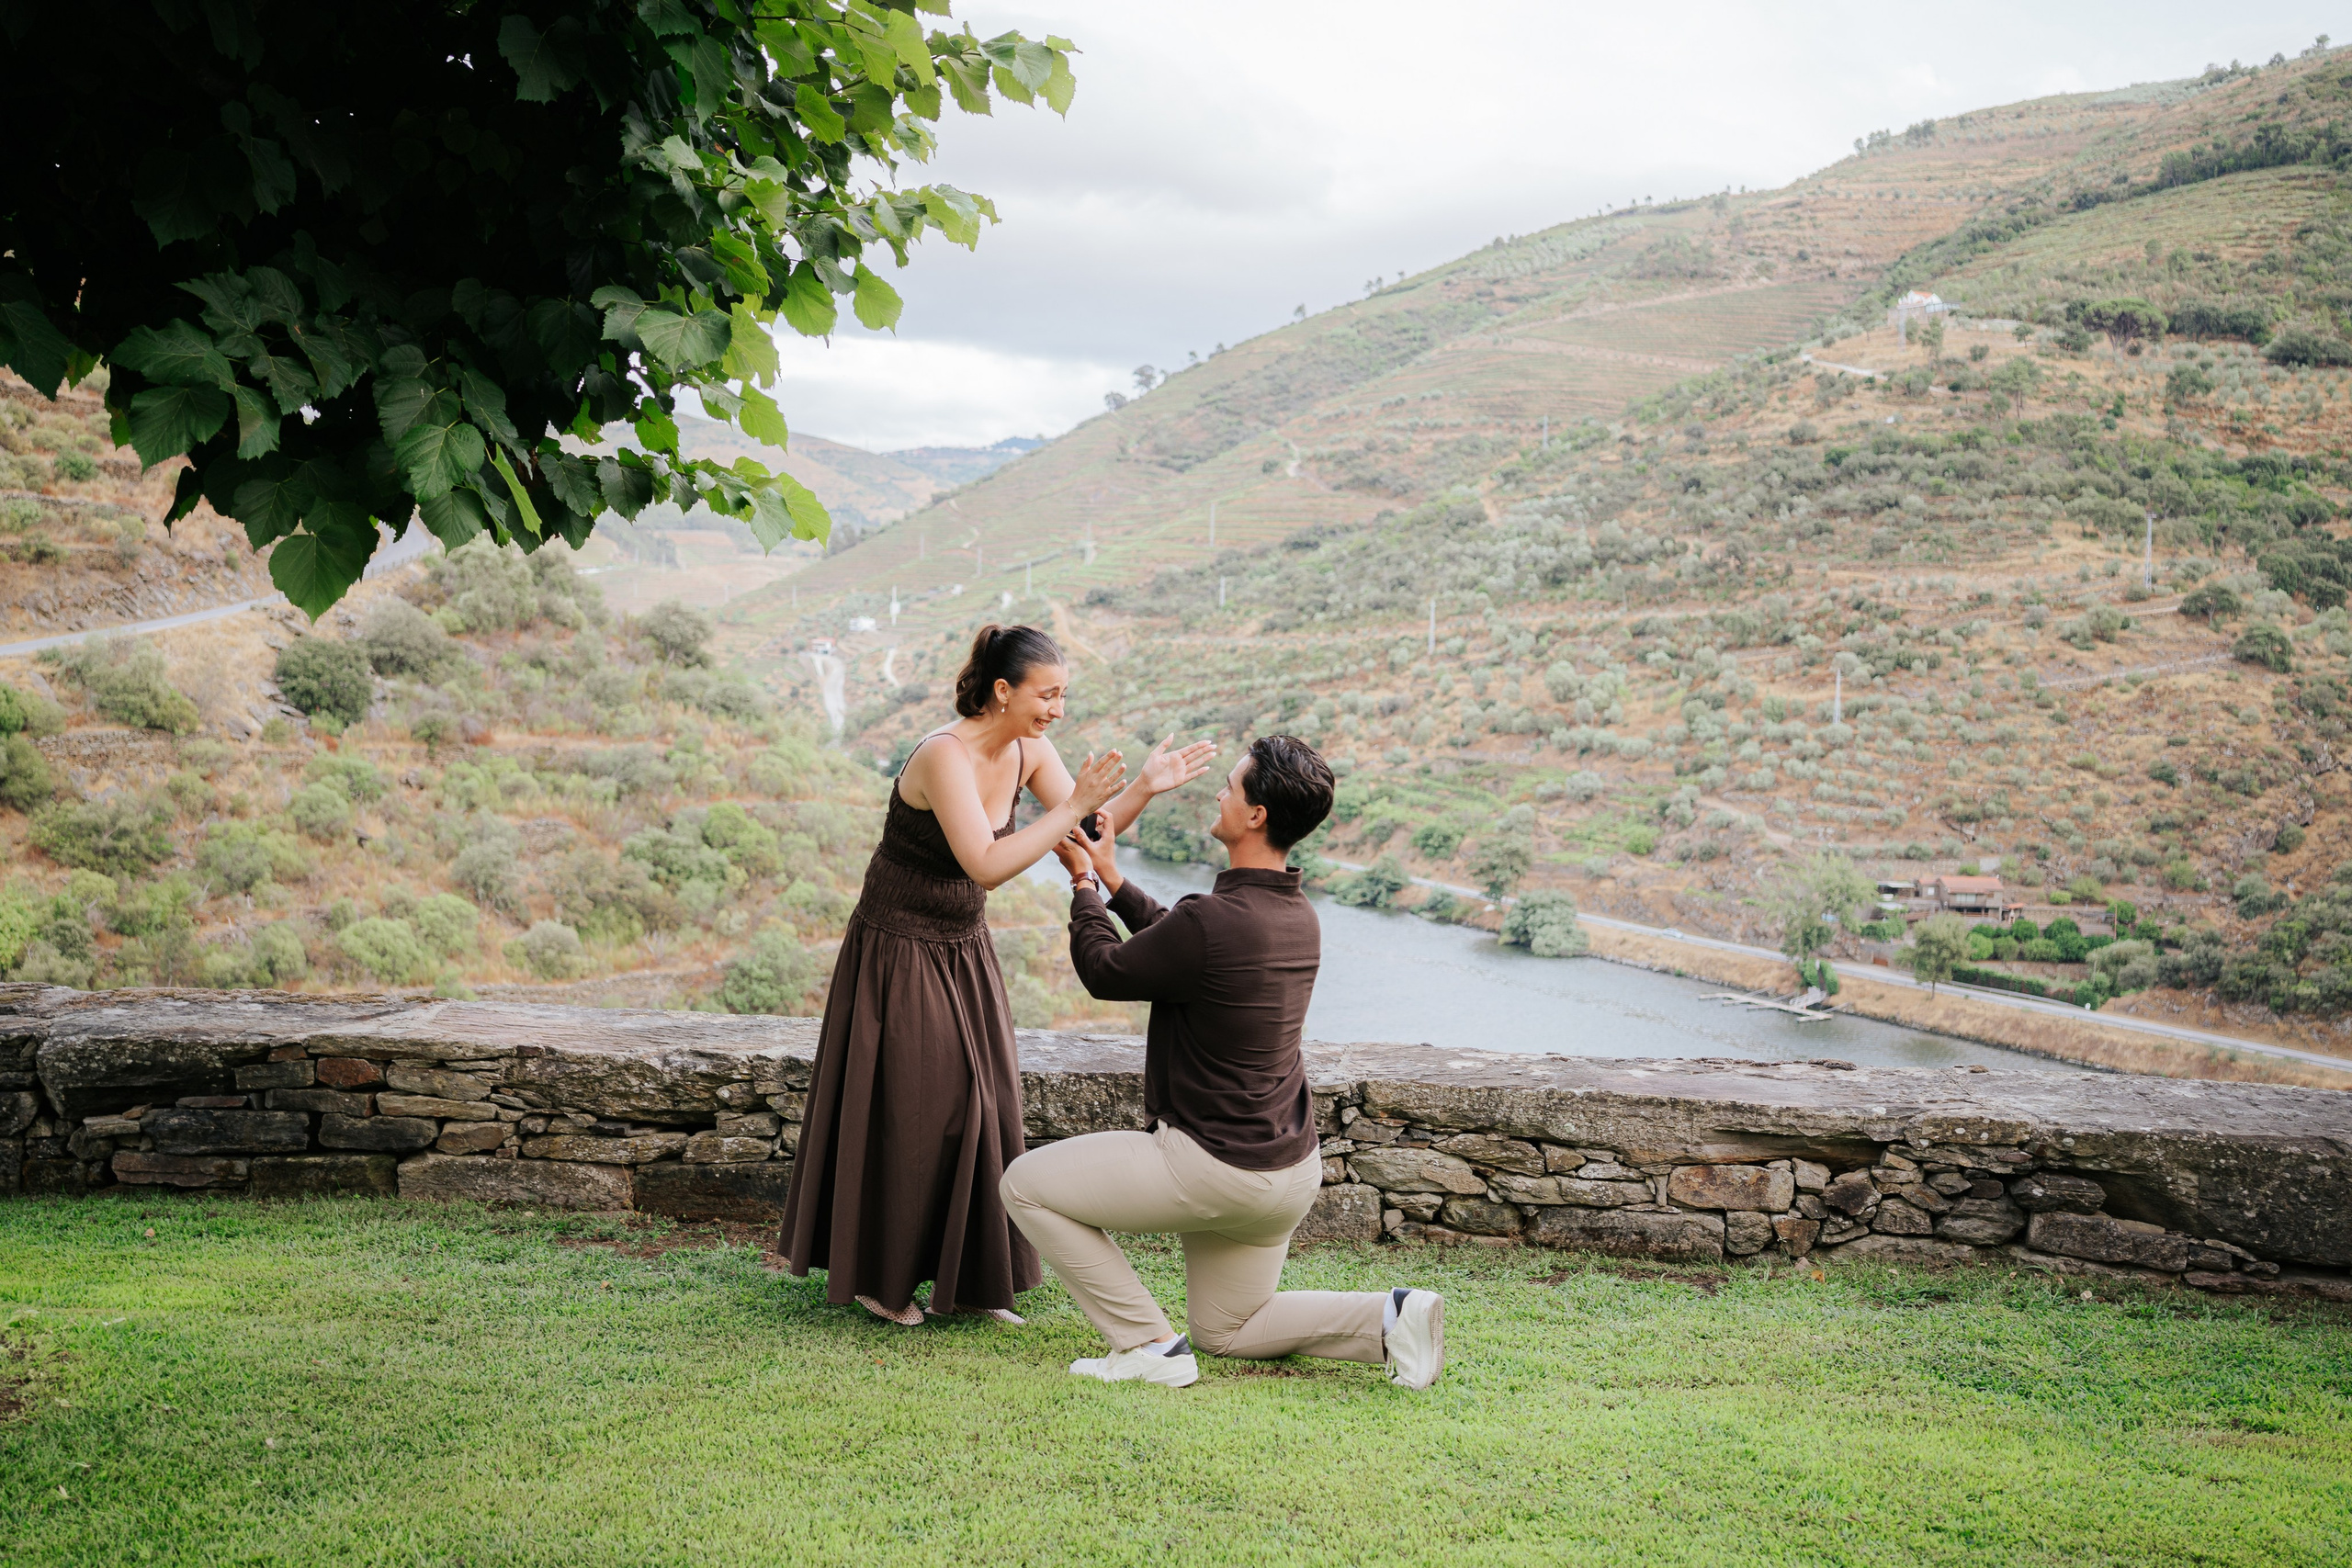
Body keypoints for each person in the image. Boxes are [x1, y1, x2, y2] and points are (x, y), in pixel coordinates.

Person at [779, 624, 1217, 1326]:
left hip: (963, 941)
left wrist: (1143, 789)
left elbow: (1083, 834)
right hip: (900, 945)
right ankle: (883, 1280)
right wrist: (1072, 808)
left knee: (987, 1105)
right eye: (1049, 695)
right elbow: (985, 861)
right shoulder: (941, 756)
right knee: (920, 1110)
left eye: (1064, 696)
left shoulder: (1029, 750)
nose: (1057, 711)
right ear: (1004, 689)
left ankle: (975, 1280)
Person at [1001, 734, 1445, 1389]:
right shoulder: (1299, 917)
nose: (1220, 792)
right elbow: (1184, 940)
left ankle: (1147, 1343)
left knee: (1024, 1184)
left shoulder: (1213, 921)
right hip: (1288, 1173)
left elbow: (1108, 969)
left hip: (1212, 1168)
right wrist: (1116, 881)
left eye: (1231, 785)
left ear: (1257, 814)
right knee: (1229, 1327)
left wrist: (1083, 883)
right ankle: (1392, 1316)